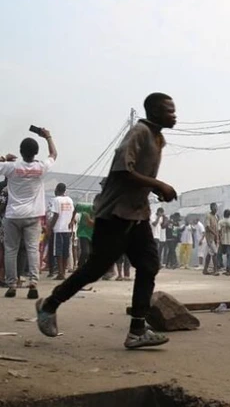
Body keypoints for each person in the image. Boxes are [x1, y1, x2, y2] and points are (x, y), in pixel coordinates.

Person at [35, 92, 178, 349]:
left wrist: (153, 190)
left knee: (148, 266)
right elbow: (123, 169)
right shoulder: (140, 132)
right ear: (154, 112)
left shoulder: (158, 138)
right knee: (95, 269)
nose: (174, 115)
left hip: (137, 214)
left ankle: (137, 330)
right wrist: (158, 184)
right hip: (114, 215)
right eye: (169, 110)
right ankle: (49, 304)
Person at [1, 129, 57, 299]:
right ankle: (33, 282)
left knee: (11, 250)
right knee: (33, 249)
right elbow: (54, 154)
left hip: (12, 215)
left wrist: (4, 158)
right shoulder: (41, 167)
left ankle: (11, 284)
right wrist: (47, 136)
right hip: (33, 215)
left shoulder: (11, 167)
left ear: (20, 151)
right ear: (36, 153)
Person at [48, 183, 74, 281]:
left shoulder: (56, 200)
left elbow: (56, 215)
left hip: (58, 229)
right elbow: (72, 213)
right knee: (65, 251)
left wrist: (50, 227)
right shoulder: (70, 200)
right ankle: (63, 272)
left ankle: (60, 273)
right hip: (67, 229)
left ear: (57, 189)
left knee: (58, 251)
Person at [71, 199, 95, 269]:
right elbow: (76, 207)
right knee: (85, 251)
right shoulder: (85, 207)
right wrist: (72, 219)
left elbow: (92, 223)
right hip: (83, 232)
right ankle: (80, 266)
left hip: (93, 233)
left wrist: (88, 219)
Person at [202, 203, 220, 275]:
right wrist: (215, 234)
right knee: (215, 252)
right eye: (214, 208)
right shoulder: (208, 216)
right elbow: (208, 227)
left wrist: (217, 236)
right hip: (209, 237)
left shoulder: (215, 217)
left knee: (210, 253)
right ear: (211, 208)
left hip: (214, 237)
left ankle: (205, 270)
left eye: (216, 208)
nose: (215, 209)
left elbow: (216, 228)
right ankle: (215, 270)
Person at [218, 209, 230, 275]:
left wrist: (219, 239)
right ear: (229, 214)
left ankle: (220, 265)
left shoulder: (220, 222)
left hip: (222, 240)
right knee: (229, 255)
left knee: (219, 254)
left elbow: (219, 231)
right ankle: (228, 269)